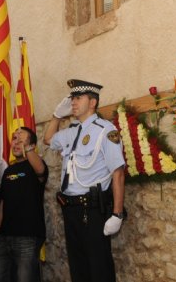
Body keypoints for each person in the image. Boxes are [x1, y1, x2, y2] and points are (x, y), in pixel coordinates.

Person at [43, 79, 126, 282]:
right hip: (70, 209)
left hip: (93, 210)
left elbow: (118, 172)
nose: (73, 102)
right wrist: (56, 116)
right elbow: (48, 139)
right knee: (78, 268)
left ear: (92, 103)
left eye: (78, 98)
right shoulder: (72, 131)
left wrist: (117, 213)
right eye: (72, 98)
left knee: (98, 268)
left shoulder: (105, 130)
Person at [0, 127, 48, 282]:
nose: (15, 143)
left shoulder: (36, 166)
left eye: (20, 140)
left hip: (27, 236)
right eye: (14, 139)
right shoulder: (9, 171)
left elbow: (41, 170)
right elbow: (4, 200)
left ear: (32, 146)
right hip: (3, 236)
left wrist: (26, 148)